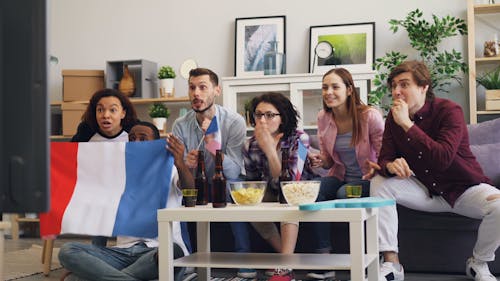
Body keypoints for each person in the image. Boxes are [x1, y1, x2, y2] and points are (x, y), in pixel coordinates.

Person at [368, 60, 500, 281]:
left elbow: (442, 158)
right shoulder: (393, 117)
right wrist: (390, 165)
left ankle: (478, 263)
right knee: (379, 183)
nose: (396, 92)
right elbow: (384, 158)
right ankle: (392, 264)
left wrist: (407, 125)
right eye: (393, 86)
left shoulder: (450, 111)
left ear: (423, 87)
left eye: (404, 84)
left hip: (462, 189)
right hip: (424, 190)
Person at [59, 121, 192, 281]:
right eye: (132, 138)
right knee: (67, 250)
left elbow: (190, 191)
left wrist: (180, 163)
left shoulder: (169, 169)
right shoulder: (118, 173)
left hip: (157, 251)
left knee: (173, 252)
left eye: (143, 139)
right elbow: (102, 218)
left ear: (156, 144)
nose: (136, 143)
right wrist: (92, 259)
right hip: (121, 252)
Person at [170, 67, 255, 278]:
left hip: (225, 182)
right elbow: (177, 170)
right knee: (177, 194)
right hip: (195, 184)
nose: (196, 93)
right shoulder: (181, 125)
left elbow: (234, 169)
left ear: (216, 90)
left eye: (202, 87)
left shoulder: (234, 122)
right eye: (192, 88)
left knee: (229, 186)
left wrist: (212, 144)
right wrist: (185, 164)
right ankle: (186, 258)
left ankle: (244, 258)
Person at [306, 67, 384, 280]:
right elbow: (329, 159)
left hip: (370, 179)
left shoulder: (370, 116)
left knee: (343, 194)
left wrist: (380, 167)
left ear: (349, 90)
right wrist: (321, 160)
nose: (328, 92)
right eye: (324, 87)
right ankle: (325, 259)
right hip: (341, 176)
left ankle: (367, 260)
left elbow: (386, 153)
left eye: (335, 87)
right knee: (313, 191)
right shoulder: (324, 117)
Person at [243, 92, 317, 281]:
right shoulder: (250, 145)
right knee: (251, 204)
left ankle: (284, 266)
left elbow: (290, 182)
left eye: (269, 115)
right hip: (271, 188)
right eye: (258, 115)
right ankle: (288, 259)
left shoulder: (300, 139)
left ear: (282, 118)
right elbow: (254, 184)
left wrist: (270, 150)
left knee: (288, 201)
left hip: (299, 190)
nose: (262, 120)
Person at [71, 88, 139, 247]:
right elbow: (69, 158)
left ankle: (128, 249)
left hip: (126, 191)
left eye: (112, 110)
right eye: (100, 110)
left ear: (123, 113)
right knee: (100, 203)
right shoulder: (86, 134)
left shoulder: (133, 134)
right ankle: (98, 250)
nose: (105, 115)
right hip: (95, 192)